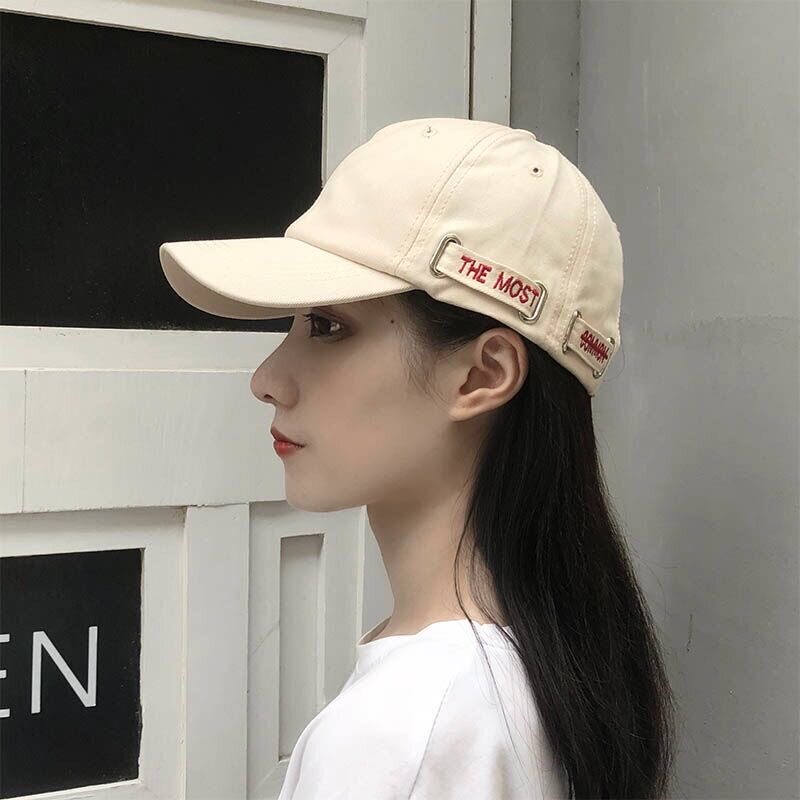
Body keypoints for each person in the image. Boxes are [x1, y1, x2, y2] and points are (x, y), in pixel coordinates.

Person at [159, 117, 678, 798]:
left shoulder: (402, 737)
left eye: (327, 326)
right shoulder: (556, 668)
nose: (268, 379)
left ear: (482, 375)